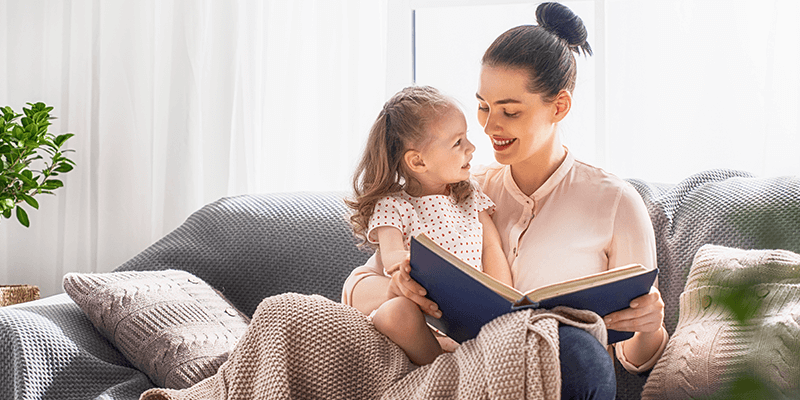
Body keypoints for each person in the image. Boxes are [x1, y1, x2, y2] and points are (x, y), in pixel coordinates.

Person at [342, 2, 668, 398]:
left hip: (561, 377)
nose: (489, 127)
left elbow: (636, 359)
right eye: (483, 106)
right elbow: (357, 287)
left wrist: (649, 327)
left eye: (510, 112)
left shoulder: (616, 204)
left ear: (559, 107)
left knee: (578, 350)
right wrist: (402, 290)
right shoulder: (459, 190)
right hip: (465, 373)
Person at [345, 85, 513, 366]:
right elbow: (393, 258)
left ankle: (454, 364)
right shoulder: (395, 205)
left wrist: (503, 302)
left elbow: (491, 245)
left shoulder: (470, 196)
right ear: (418, 161)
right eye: (458, 142)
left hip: (468, 317)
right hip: (421, 315)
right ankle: (442, 373)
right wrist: (406, 271)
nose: (471, 148)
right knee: (397, 312)